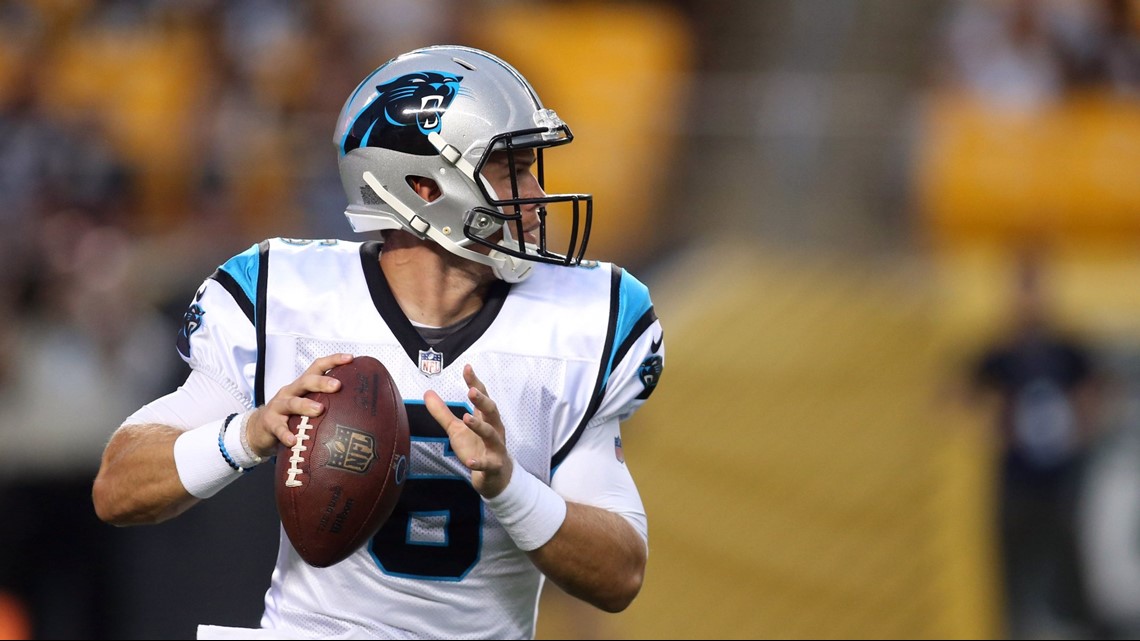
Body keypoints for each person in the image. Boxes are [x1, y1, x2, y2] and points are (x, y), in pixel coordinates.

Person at [92, 44, 665, 639]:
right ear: (422, 187)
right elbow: (118, 488)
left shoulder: (582, 318)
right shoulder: (286, 296)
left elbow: (620, 574)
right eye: (511, 170)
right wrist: (250, 432)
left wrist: (509, 484)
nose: (537, 199)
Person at [969, 250, 1100, 639]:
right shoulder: (1002, 352)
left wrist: (1079, 427)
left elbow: (1096, 391)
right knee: (1012, 570)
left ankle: (1077, 623)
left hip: (1058, 481)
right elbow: (958, 394)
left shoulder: (1065, 349)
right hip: (1016, 481)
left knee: (1068, 564)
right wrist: (991, 424)